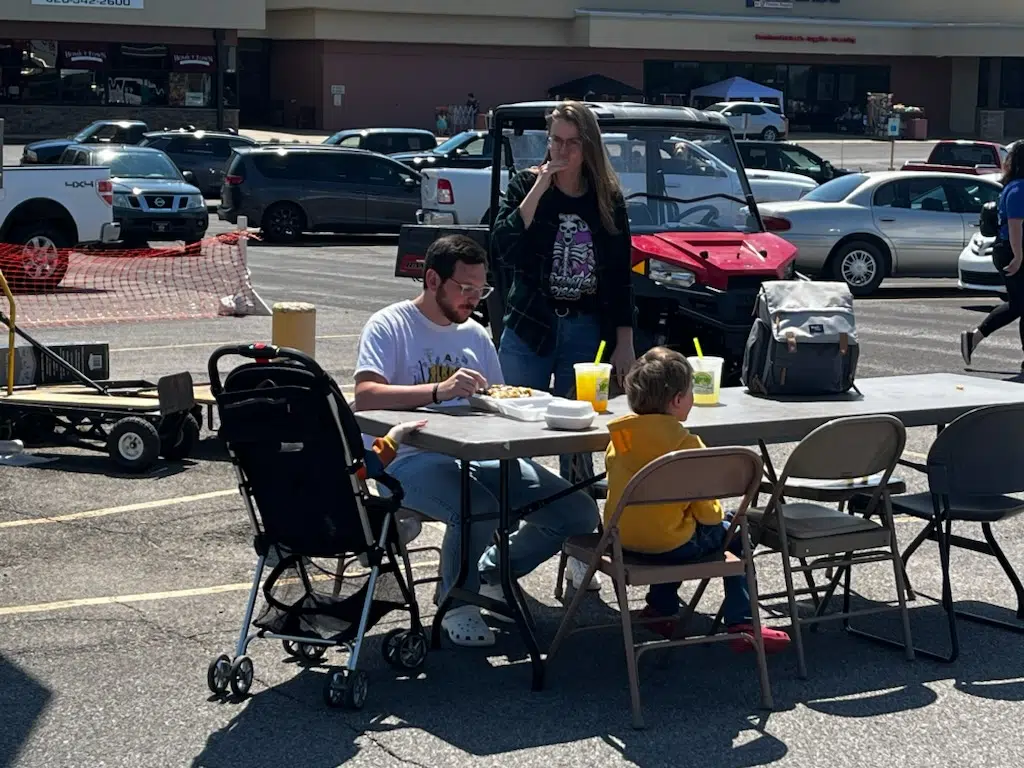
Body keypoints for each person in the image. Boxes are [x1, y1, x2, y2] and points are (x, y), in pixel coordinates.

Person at [353, 234, 599, 648]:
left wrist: (532, 411)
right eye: (464, 288)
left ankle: (491, 572)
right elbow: (366, 397)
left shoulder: (476, 334)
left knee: (577, 511)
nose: (473, 299)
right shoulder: (390, 324)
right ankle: (457, 600)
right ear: (432, 279)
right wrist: (438, 392)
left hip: (477, 453)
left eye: (480, 289)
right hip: (408, 457)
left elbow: (494, 402)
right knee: (479, 507)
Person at [491, 101, 636, 588]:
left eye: (573, 142)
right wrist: (539, 185)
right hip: (530, 325)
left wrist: (623, 343)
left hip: (583, 329)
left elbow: (619, 279)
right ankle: (498, 554)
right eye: (556, 140)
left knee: (579, 442)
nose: (563, 151)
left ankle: (579, 549)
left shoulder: (607, 199)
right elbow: (504, 246)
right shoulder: (526, 187)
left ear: (589, 146)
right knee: (515, 441)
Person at [604, 347, 791, 653]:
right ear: (678, 400)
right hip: (671, 546)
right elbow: (709, 514)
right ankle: (742, 620)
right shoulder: (686, 445)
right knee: (735, 529)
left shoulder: (619, 440)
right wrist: (718, 517)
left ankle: (661, 608)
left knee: (668, 525)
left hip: (621, 541)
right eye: (690, 391)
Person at [962, 141, 1024, 370]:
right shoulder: (1018, 189)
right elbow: (1016, 226)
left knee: (1021, 304)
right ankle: (974, 337)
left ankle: (975, 338)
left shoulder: (1015, 186)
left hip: (1012, 249)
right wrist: (1018, 257)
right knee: (1018, 305)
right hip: (1011, 249)